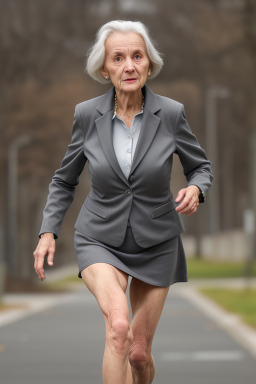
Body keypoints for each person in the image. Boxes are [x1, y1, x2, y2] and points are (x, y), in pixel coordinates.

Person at [33, 20, 213, 384]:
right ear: (105, 68)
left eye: (137, 56)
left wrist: (196, 189)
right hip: (100, 236)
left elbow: (201, 168)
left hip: (157, 241)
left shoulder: (172, 113)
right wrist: (48, 232)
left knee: (139, 354)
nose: (128, 66)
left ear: (149, 64)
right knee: (118, 328)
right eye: (118, 58)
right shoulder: (87, 116)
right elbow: (64, 179)